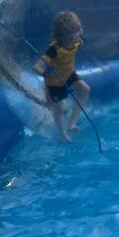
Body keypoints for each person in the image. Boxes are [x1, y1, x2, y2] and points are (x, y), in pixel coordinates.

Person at [33, 11, 91, 141]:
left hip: (68, 74)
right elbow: (36, 67)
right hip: (55, 80)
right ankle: (62, 133)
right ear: (65, 35)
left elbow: (77, 45)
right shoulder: (54, 49)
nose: (81, 31)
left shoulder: (76, 42)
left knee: (85, 89)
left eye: (79, 28)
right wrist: (45, 73)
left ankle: (71, 122)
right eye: (76, 30)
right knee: (58, 108)